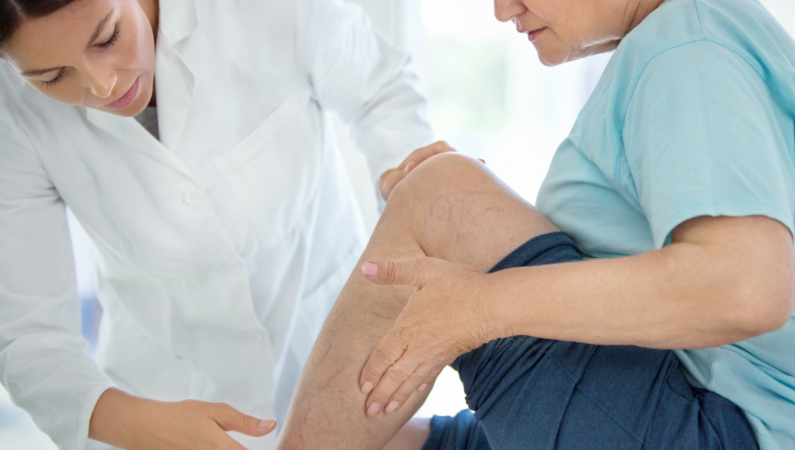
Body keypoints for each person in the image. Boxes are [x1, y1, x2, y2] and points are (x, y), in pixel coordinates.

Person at [273, 0, 795, 449]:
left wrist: (478, 305)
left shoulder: (685, 49)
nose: (503, 9)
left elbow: (746, 289)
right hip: (687, 406)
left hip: (719, 427)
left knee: (442, 193)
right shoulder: (702, 36)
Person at [0, 0, 444, 448]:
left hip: (329, 351)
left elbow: (381, 91)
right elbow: (29, 339)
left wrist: (405, 184)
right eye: (51, 76)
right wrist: (134, 423)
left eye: (107, 38)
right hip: (157, 393)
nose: (103, 85)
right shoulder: (12, 110)